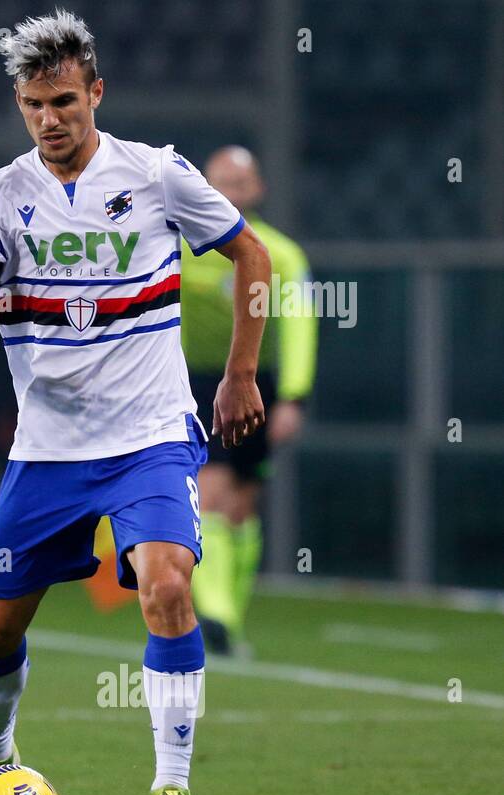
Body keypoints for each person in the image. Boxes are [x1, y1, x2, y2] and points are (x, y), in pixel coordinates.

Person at [0, 10, 271, 795]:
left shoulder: (158, 174)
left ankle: (172, 791)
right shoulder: (2, 194)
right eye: (32, 104)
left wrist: (240, 372)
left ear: (95, 92)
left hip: (149, 434)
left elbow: (253, 259)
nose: (48, 118)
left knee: (167, 583)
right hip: (51, 448)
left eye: (63, 100)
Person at [182, 146, 316, 657]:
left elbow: (301, 327)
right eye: (220, 182)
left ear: (257, 189)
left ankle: (227, 623)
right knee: (210, 491)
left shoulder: (281, 254)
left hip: (261, 380)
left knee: (243, 503)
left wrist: (294, 398)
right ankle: (212, 614)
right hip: (198, 383)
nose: (230, 193)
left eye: (239, 183)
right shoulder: (181, 246)